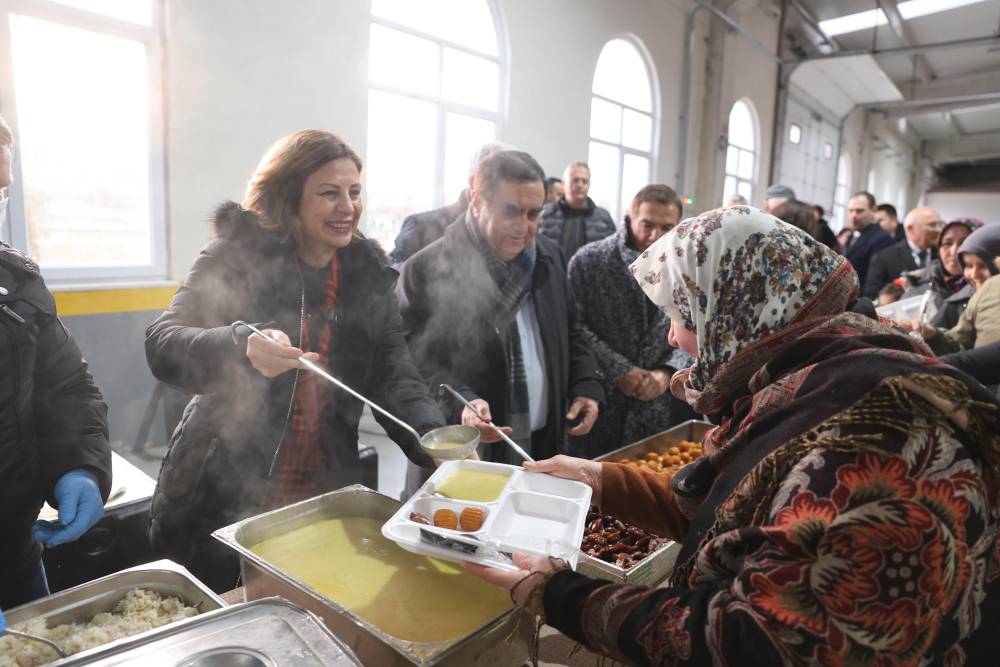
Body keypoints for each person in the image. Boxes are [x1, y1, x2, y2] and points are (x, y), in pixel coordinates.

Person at [467, 206, 1000, 665]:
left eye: (683, 314)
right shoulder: (816, 371)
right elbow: (736, 509)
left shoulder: (871, 436)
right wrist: (597, 478)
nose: (674, 336)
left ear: (741, 313)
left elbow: (761, 642)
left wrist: (556, 594)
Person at [145, 130, 446, 592]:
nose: (347, 206)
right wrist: (239, 346)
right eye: (329, 193)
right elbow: (163, 343)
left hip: (321, 484)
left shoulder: (365, 275)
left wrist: (435, 436)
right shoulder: (237, 255)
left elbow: (393, 371)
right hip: (218, 487)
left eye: (354, 191)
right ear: (288, 197)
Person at [398, 150, 603, 466]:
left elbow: (572, 331)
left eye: (534, 213)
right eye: (511, 212)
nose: (523, 227)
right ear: (477, 201)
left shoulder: (550, 257)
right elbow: (411, 364)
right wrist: (462, 404)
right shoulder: (425, 269)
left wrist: (586, 385)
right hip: (464, 456)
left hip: (543, 444)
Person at [0, 113, 111, 609]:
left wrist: (79, 467)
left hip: (14, 554)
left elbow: (66, 387)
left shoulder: (15, 283)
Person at [566, 185, 695, 458]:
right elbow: (573, 328)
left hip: (656, 405)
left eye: (666, 227)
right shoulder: (590, 261)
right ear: (630, 217)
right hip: (600, 399)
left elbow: (694, 327)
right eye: (647, 224)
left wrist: (666, 372)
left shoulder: (689, 268)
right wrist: (619, 371)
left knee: (641, 483)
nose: (655, 236)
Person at [389, 142, 509, 267]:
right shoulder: (420, 228)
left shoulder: (513, 237)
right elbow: (394, 282)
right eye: (493, 180)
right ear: (474, 181)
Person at [910, 223, 1000, 356]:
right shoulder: (978, 297)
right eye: (968, 265)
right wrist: (931, 333)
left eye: (983, 265)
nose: (974, 274)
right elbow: (960, 342)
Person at [903, 217, 983, 329]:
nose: (954, 251)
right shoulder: (920, 281)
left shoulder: (985, 290)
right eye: (947, 243)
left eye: (964, 243)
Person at [538, 161, 615, 264]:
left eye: (584, 181)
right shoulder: (545, 214)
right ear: (563, 183)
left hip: (588, 278)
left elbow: (611, 254)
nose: (580, 185)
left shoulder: (603, 218)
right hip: (551, 276)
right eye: (575, 180)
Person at [862, 206, 942, 298]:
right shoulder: (884, 258)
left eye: (940, 224)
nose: (939, 230)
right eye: (932, 225)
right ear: (911, 229)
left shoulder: (942, 256)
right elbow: (872, 296)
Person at [843, 191, 894, 288]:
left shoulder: (882, 239)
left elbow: (875, 280)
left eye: (859, 211)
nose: (853, 215)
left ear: (874, 210)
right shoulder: (852, 236)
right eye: (850, 210)